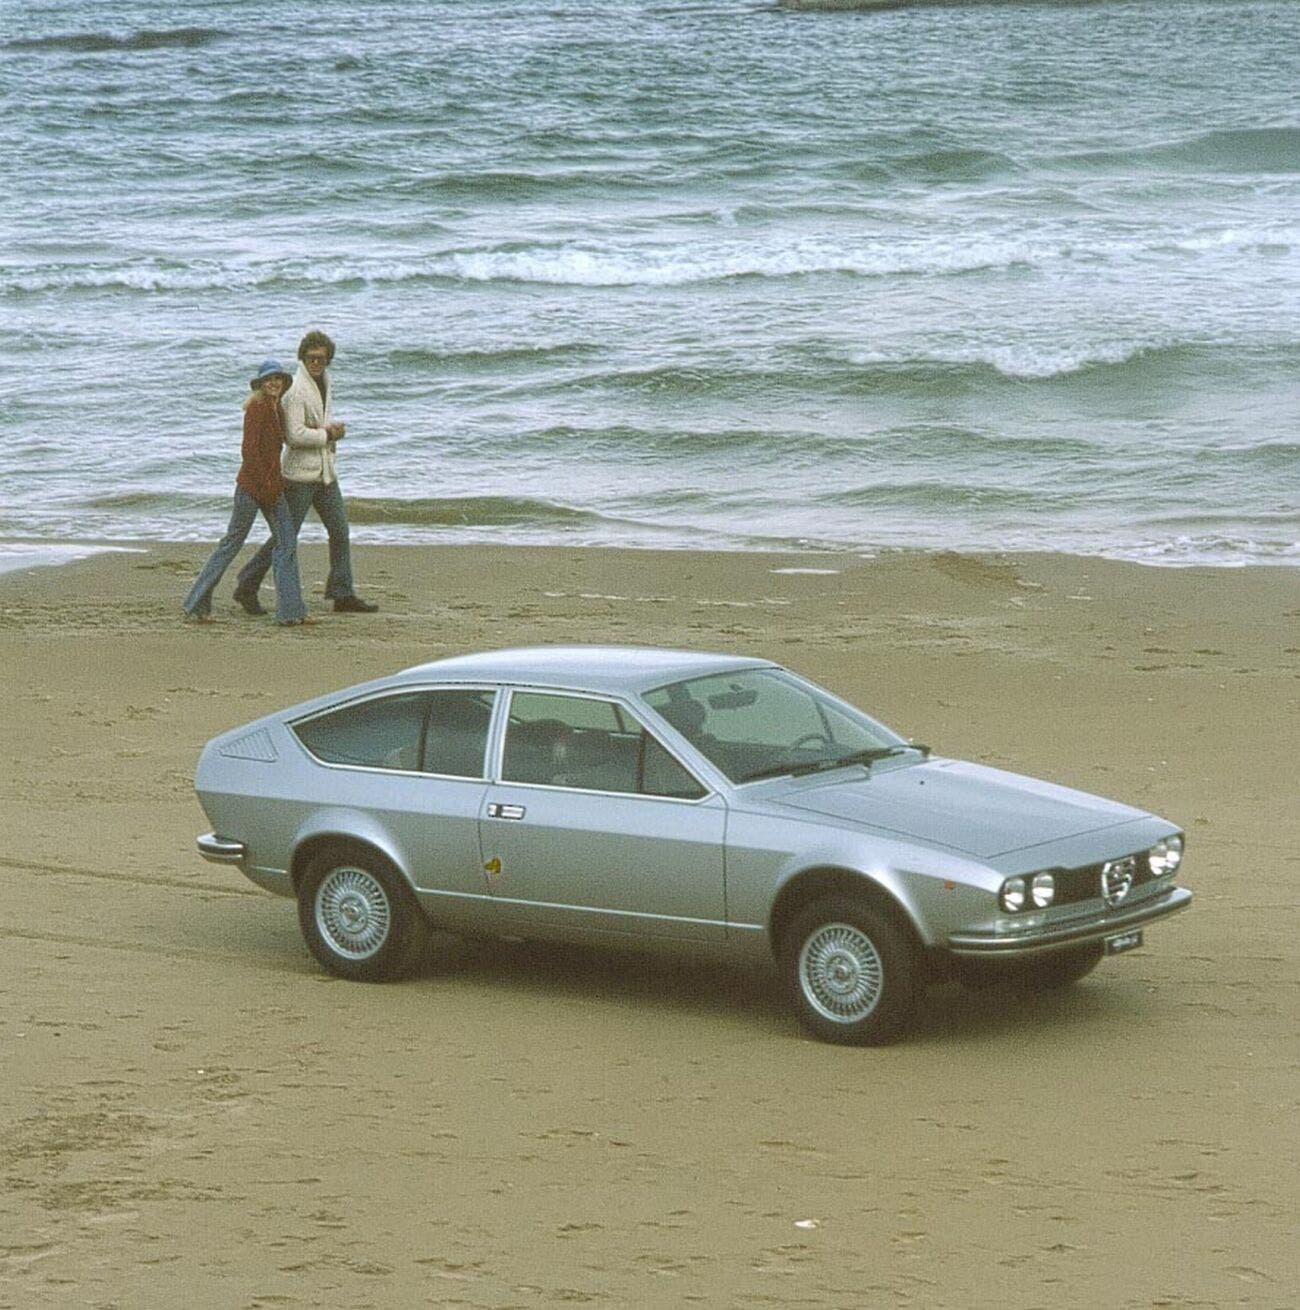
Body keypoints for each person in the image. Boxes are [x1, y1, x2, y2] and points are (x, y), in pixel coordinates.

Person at [233, 330, 377, 615]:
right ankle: (248, 583)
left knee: (340, 530)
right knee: (285, 537)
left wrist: (328, 434)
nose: (316, 363)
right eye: (311, 358)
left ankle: (342, 593)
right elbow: (294, 435)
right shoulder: (296, 390)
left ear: (328, 360)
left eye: (321, 358)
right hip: (299, 477)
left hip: (324, 473)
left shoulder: (324, 380)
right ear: (303, 357)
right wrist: (328, 434)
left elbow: (311, 426)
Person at [182, 361, 310, 627]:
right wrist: (267, 486)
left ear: (283, 383)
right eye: (268, 380)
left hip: (272, 489)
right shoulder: (256, 408)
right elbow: (249, 453)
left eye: (278, 379)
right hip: (251, 489)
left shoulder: (277, 409)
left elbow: (286, 441)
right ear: (261, 384)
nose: (274, 383)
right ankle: (196, 604)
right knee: (232, 543)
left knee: (286, 543)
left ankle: (290, 611)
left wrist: (323, 435)